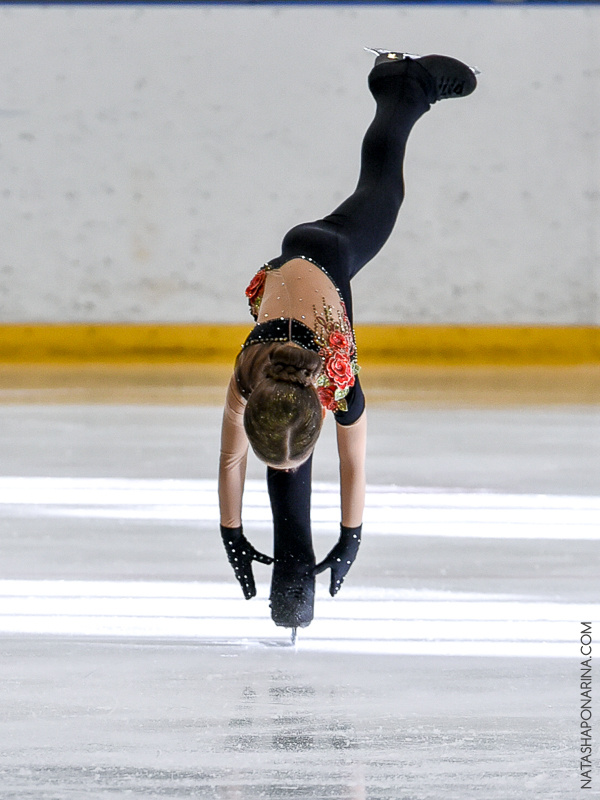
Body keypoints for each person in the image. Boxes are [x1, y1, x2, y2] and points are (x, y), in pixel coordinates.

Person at [218, 49, 477, 630]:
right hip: (296, 261)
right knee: (285, 455)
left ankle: (403, 86)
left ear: (321, 406)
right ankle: (292, 571)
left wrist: (351, 535)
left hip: (331, 255)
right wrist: (231, 530)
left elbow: (350, 460)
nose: (287, 467)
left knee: (384, 188)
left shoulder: (336, 376)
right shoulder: (251, 378)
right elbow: (236, 459)